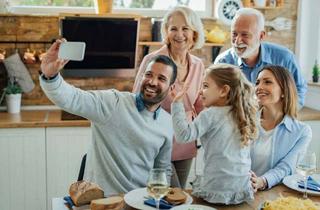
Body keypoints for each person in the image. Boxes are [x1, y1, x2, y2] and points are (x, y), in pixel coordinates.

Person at [39, 39, 178, 196]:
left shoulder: (167, 123)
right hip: (102, 201)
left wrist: (159, 199)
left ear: (171, 87)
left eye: (161, 78)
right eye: (148, 74)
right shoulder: (113, 103)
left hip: (140, 201)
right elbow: (72, 98)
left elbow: (162, 169)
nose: (152, 82)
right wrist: (50, 76)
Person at [133, 5, 205, 188]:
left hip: (185, 141)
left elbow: (199, 104)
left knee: (178, 198)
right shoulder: (153, 60)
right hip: (157, 141)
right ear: (166, 32)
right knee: (169, 194)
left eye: (185, 28)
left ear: (194, 33)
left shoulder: (198, 65)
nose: (179, 34)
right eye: (173, 28)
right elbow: (136, 99)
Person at [171, 63, 258, 204]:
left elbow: (183, 135)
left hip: (218, 189)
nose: (200, 92)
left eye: (205, 86)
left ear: (223, 91)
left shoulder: (210, 114)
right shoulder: (243, 114)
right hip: (241, 188)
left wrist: (177, 103)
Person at [214, 8, 307, 108]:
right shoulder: (222, 62)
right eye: (234, 34)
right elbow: (215, 98)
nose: (237, 41)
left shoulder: (285, 58)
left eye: (245, 35)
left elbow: (298, 90)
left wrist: (284, 116)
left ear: (261, 36)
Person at [250, 65, 312, 191]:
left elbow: (287, 167)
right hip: (238, 191)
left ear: (284, 91)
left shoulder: (302, 132)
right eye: (257, 82)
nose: (259, 87)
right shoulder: (244, 122)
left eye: (267, 82)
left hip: (275, 194)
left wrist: (262, 181)